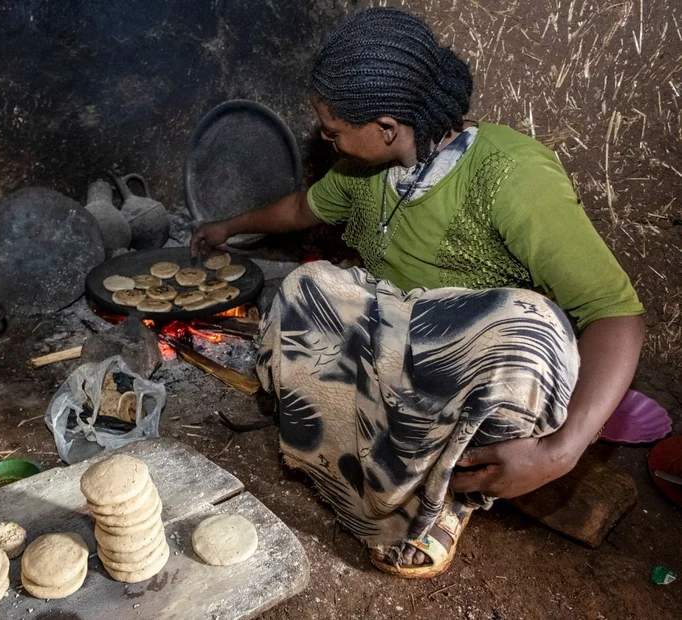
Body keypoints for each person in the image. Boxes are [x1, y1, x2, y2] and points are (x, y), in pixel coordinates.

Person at [191, 7, 645, 578]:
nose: (328, 142)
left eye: (333, 132)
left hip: (457, 365)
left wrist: (562, 451)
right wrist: (227, 228)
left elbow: (615, 313)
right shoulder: (364, 170)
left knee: (534, 332)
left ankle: (443, 503)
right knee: (304, 290)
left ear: (384, 128)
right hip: (392, 337)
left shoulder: (510, 175)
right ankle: (361, 476)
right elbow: (304, 207)